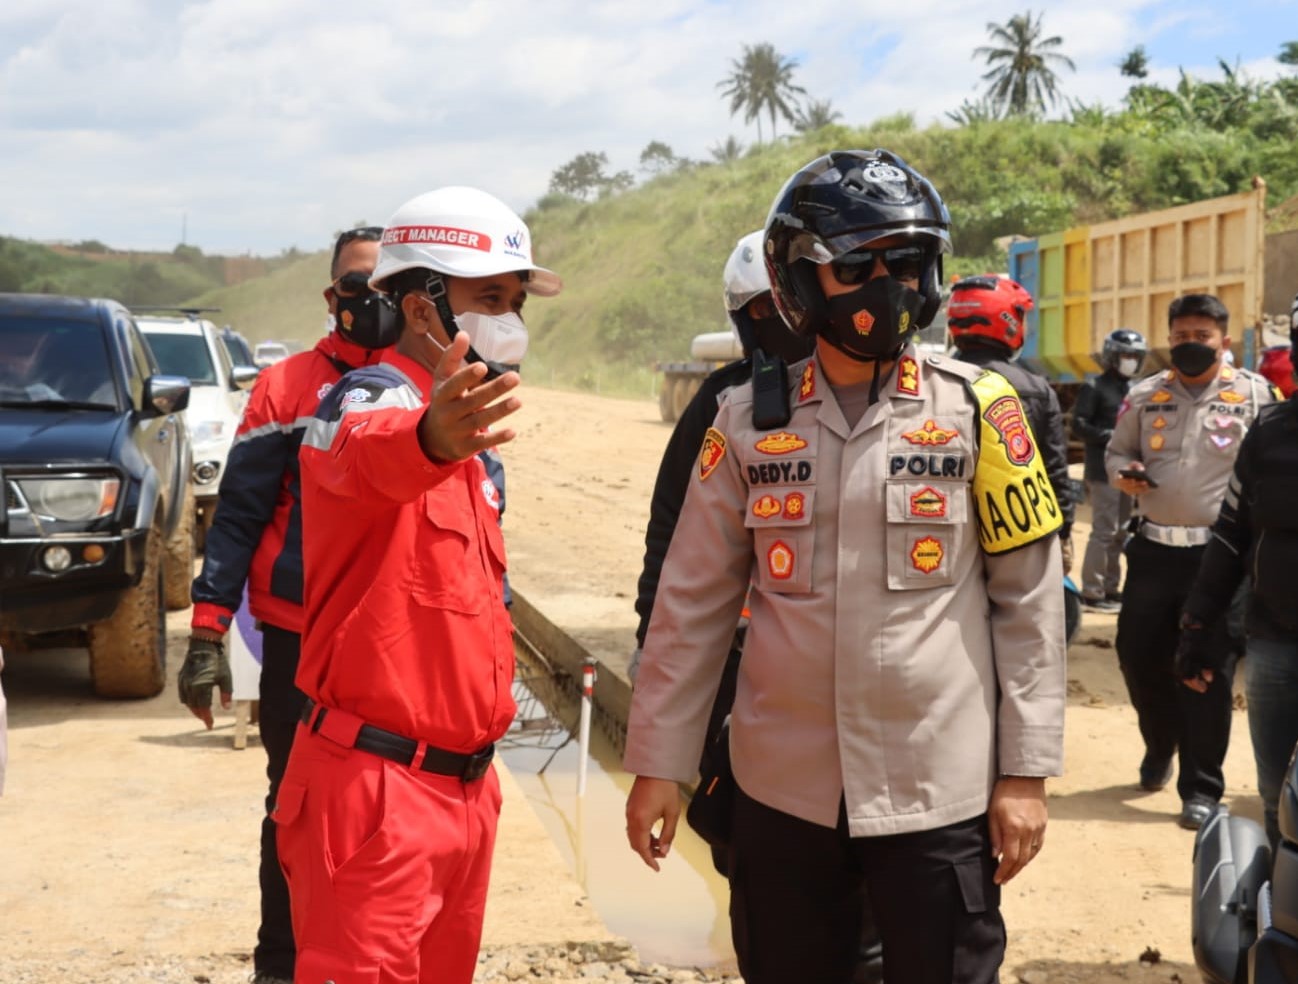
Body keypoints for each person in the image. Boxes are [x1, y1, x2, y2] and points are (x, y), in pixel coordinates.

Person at [624, 149, 1065, 984]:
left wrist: (1025, 773)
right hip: (782, 795)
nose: (885, 283)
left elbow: (1029, 603)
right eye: (855, 264)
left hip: (940, 791)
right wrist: (659, 764)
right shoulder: (743, 422)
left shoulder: (983, 410)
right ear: (796, 282)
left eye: (905, 261)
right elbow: (691, 607)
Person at [275, 186, 559, 984]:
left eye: (514, 303)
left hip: (463, 794)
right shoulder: (365, 401)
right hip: (377, 796)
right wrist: (430, 435)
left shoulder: (475, 445)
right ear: (420, 303)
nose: (509, 322)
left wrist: (448, 435)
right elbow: (367, 452)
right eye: (488, 299)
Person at [175, 226, 390, 984]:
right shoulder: (288, 387)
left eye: (381, 282)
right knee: (292, 808)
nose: (367, 298)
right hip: (299, 643)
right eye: (353, 285)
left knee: (385, 809)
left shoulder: (426, 387)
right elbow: (236, 516)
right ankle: (282, 963)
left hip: (389, 648)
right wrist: (206, 635)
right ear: (333, 297)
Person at [1107, 293, 1278, 829]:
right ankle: (1161, 745)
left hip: (1220, 558)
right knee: (1137, 655)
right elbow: (1114, 452)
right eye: (1180, 336)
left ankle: (1201, 788)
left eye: (1201, 337)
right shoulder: (1144, 395)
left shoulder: (1254, 396)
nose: (1189, 345)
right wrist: (1124, 471)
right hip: (1155, 549)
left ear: (1223, 342)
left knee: (1207, 669)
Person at [1176, 321, 1298, 850]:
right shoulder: (1269, 431)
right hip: (1274, 643)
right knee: (1277, 796)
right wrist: (1199, 625)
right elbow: (1230, 536)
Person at [949, 275, 1076, 571]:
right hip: (1018, 535)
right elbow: (1054, 469)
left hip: (949, 536)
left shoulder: (925, 381)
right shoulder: (1036, 389)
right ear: (1007, 320)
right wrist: (1064, 532)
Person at [1072, 329, 1149, 612]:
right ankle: (1092, 592)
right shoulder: (1094, 387)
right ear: (1112, 356)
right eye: (1125, 355)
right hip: (1102, 470)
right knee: (1104, 531)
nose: (1130, 361)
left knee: (1120, 532)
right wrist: (1110, 436)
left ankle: (1111, 588)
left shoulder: (1136, 389)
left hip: (1129, 470)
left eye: (1135, 356)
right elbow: (1079, 425)